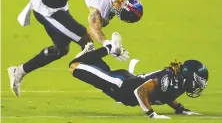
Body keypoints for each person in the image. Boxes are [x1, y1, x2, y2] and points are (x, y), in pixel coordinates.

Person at [69, 36, 209, 119]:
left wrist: (180, 109)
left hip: (125, 85)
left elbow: (167, 94)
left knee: (93, 67)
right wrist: (151, 114)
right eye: (199, 81)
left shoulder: (178, 83)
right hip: (120, 84)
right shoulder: (170, 80)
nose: (199, 86)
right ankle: (109, 48)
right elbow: (140, 91)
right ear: (190, 77)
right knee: (74, 67)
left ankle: (89, 54)